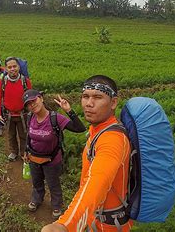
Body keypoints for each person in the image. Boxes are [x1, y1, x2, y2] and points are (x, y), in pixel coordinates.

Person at [41, 75, 132, 232]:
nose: (89, 104)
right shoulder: (98, 129)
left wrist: (66, 225)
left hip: (108, 226)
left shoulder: (112, 139)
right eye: (85, 96)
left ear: (114, 102)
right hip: (96, 219)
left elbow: (97, 182)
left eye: (97, 97)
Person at [23, 89, 86, 219]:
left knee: (53, 184)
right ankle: (37, 199)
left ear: (41, 98)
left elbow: (80, 129)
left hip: (51, 160)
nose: (32, 105)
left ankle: (57, 205)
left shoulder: (55, 118)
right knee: (37, 182)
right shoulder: (29, 117)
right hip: (34, 158)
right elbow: (29, 136)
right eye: (28, 104)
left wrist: (69, 111)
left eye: (34, 101)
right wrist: (26, 151)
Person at [0, 57, 32, 161]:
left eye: (14, 66)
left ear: (19, 67)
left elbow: (31, 98)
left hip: (23, 114)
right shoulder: (2, 82)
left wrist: (32, 113)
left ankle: (24, 153)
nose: (12, 69)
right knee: (11, 135)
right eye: (9, 67)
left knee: (23, 134)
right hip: (8, 114)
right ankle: (13, 152)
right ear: (6, 69)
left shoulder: (25, 81)